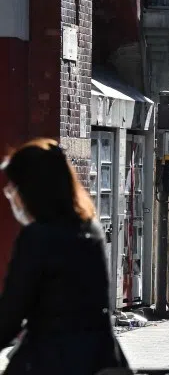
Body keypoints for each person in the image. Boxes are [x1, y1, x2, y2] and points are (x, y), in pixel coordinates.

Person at [0, 139, 129, 375]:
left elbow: (12, 311)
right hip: (99, 357)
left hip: (51, 359)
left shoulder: (38, 237)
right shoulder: (91, 229)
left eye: (14, 188)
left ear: (30, 190)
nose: (12, 197)